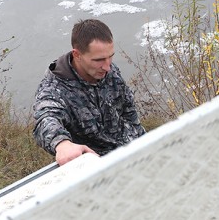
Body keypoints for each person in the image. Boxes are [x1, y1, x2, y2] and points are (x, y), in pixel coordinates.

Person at [33, 19, 145, 165]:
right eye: (99, 60)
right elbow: (46, 118)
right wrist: (62, 144)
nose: (107, 67)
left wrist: (144, 142)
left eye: (110, 57)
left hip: (136, 152)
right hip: (99, 166)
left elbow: (128, 110)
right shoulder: (54, 89)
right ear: (77, 55)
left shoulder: (107, 70)